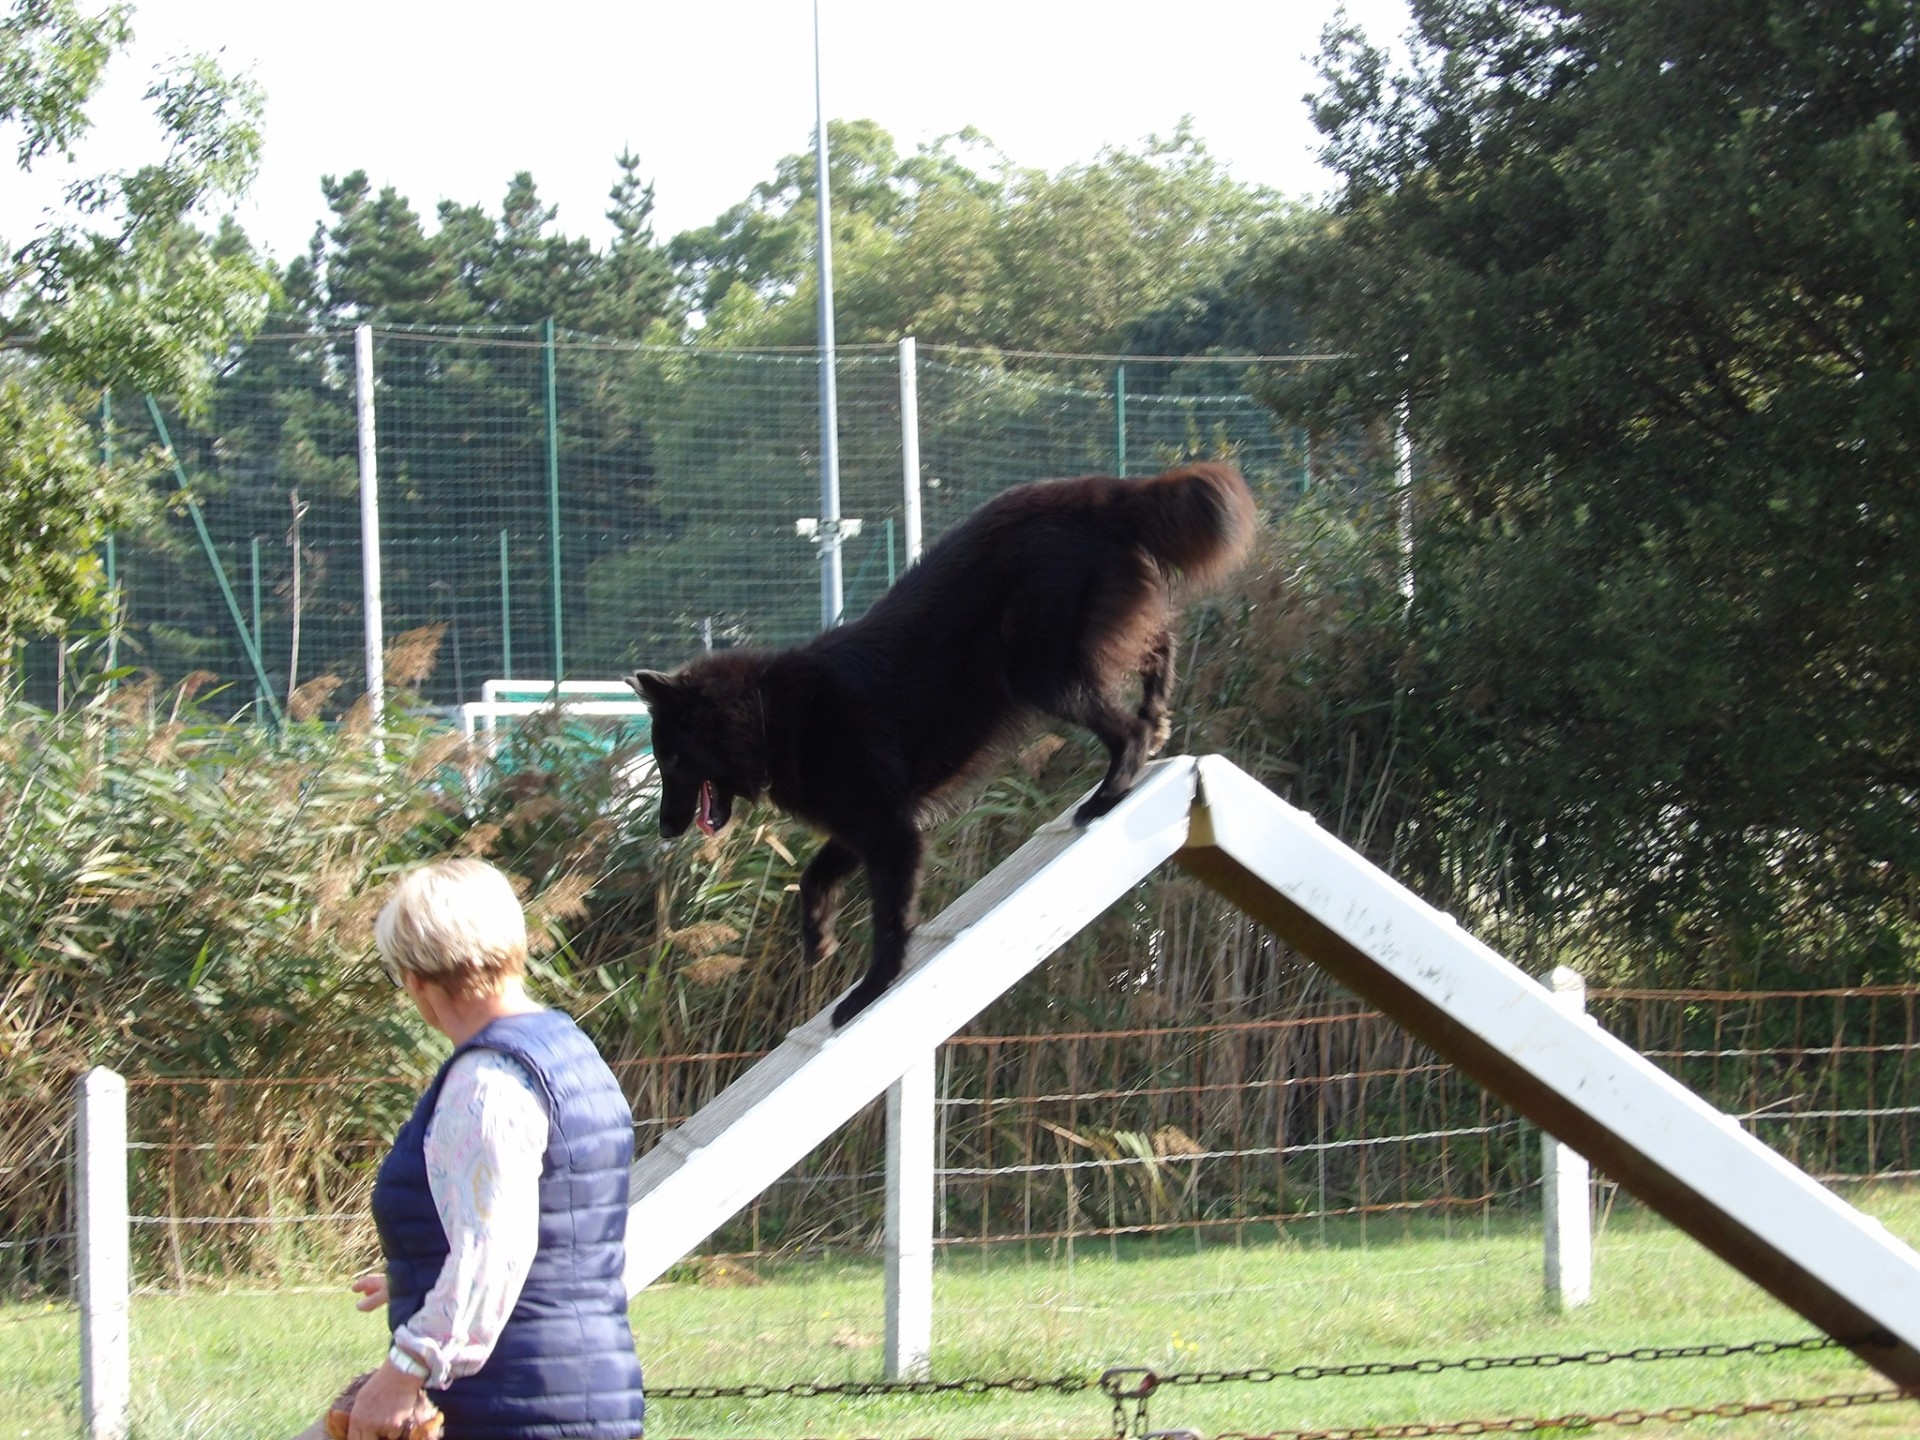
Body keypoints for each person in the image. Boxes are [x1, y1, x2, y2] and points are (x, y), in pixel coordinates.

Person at [307, 857, 646, 1440]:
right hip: (576, 1389)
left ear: (416, 978)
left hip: (511, 1405)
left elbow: (496, 1249)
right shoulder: (567, 1050)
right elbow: (560, 1223)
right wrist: (421, 1269)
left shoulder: (487, 1083)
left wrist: (405, 1368)